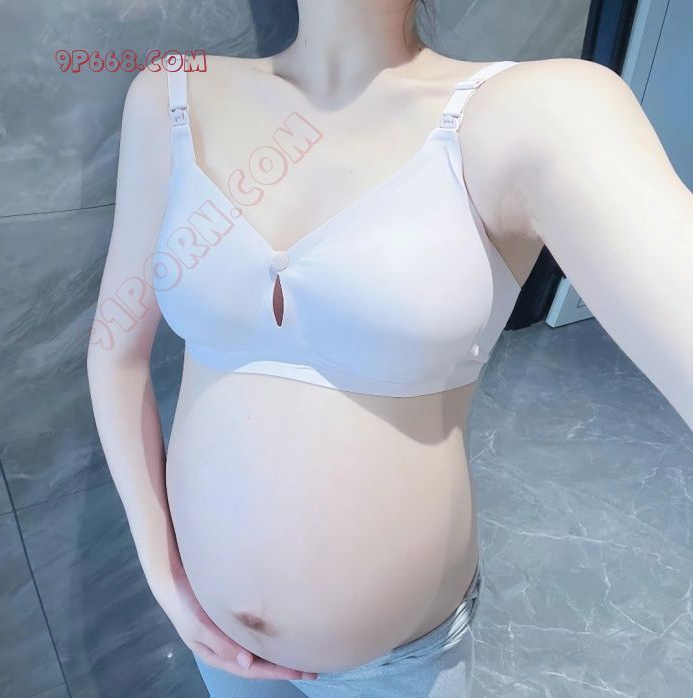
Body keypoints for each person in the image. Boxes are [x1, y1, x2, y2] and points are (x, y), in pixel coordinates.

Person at [86, 1, 693, 696]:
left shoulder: (531, 113)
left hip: (398, 667)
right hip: (213, 634)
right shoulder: (171, 93)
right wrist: (162, 569)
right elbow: (115, 351)